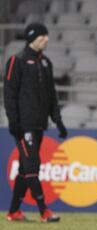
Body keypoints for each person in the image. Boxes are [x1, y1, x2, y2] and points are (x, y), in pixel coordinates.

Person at [4, 22, 66, 223]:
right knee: (32, 165)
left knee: (25, 168)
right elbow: (9, 94)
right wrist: (14, 121)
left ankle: (13, 211)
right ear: (32, 38)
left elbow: (51, 96)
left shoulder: (46, 62)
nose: (46, 39)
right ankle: (44, 211)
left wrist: (58, 121)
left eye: (46, 36)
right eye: (42, 36)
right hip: (24, 125)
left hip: (39, 125)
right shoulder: (17, 61)